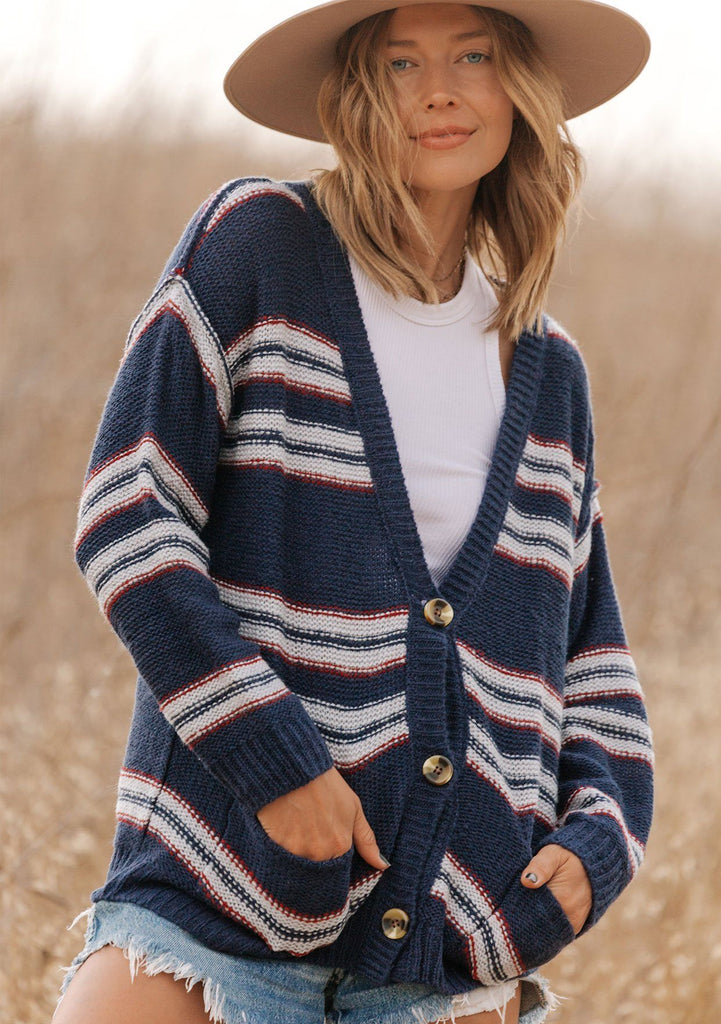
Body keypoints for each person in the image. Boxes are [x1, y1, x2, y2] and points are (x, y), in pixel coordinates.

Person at [52, 2, 654, 1022]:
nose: (439, 90)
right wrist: (273, 758)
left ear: (522, 92)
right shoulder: (257, 245)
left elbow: (588, 659)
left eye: (474, 56)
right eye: (399, 60)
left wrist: (600, 837)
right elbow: (128, 514)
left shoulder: (548, 371)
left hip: (445, 956)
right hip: (217, 892)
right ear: (351, 92)